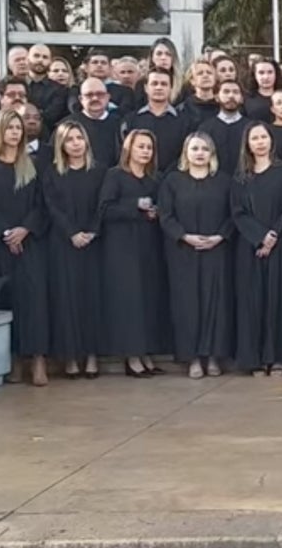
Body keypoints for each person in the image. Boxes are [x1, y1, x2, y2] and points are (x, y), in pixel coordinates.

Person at [0, 110, 49, 386]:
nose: (15, 133)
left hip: (29, 243)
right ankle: (13, 362)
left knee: (34, 302)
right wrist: (5, 232)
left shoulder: (32, 166)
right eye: (9, 128)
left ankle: (38, 360)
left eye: (18, 128)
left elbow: (42, 204)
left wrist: (25, 229)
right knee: (6, 302)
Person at [159, 132, 235, 379]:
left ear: (211, 153)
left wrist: (220, 236)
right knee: (188, 305)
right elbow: (166, 215)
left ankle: (213, 356)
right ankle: (192, 358)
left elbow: (234, 213)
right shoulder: (173, 181)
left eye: (204, 149)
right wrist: (184, 236)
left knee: (215, 303)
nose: (199, 153)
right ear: (186, 153)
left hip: (216, 250)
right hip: (184, 251)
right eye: (194, 149)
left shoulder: (223, 181)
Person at [98, 129, 171, 378]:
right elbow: (105, 210)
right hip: (122, 249)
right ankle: (131, 357)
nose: (145, 151)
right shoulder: (115, 175)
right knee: (129, 303)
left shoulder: (155, 178)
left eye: (149, 147)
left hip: (148, 247)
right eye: (141, 146)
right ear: (129, 148)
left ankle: (146, 352)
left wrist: (155, 212)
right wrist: (135, 206)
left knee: (148, 300)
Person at [232, 122, 282, 376]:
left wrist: (273, 236)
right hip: (250, 247)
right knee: (253, 302)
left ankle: (279, 357)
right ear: (247, 144)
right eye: (255, 138)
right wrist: (259, 237)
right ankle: (255, 360)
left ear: (271, 141)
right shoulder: (241, 176)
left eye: (264, 137)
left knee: (279, 300)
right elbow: (237, 212)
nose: (260, 142)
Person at [43, 121, 104, 379]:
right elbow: (51, 206)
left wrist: (91, 231)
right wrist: (71, 233)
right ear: (61, 144)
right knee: (67, 300)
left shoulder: (99, 171)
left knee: (91, 299)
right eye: (70, 139)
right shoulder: (52, 172)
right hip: (63, 243)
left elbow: (102, 204)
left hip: (93, 243)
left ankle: (91, 356)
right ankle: (70, 358)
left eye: (80, 138)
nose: (76, 143)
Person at [121, 68, 191, 172]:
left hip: (173, 179)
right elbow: (124, 153)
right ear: (146, 88)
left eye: (164, 84)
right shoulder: (130, 120)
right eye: (154, 83)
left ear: (171, 88)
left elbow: (186, 155)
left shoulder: (185, 121)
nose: (159, 87)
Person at [197, 80, 248, 176]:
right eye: (226, 92)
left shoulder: (251, 128)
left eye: (236, 92)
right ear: (216, 97)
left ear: (241, 98)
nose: (231, 96)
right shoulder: (205, 128)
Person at [69, 77, 122, 166]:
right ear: (81, 99)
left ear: (108, 97)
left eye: (100, 94)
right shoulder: (67, 125)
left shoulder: (120, 124)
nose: (95, 98)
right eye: (89, 95)